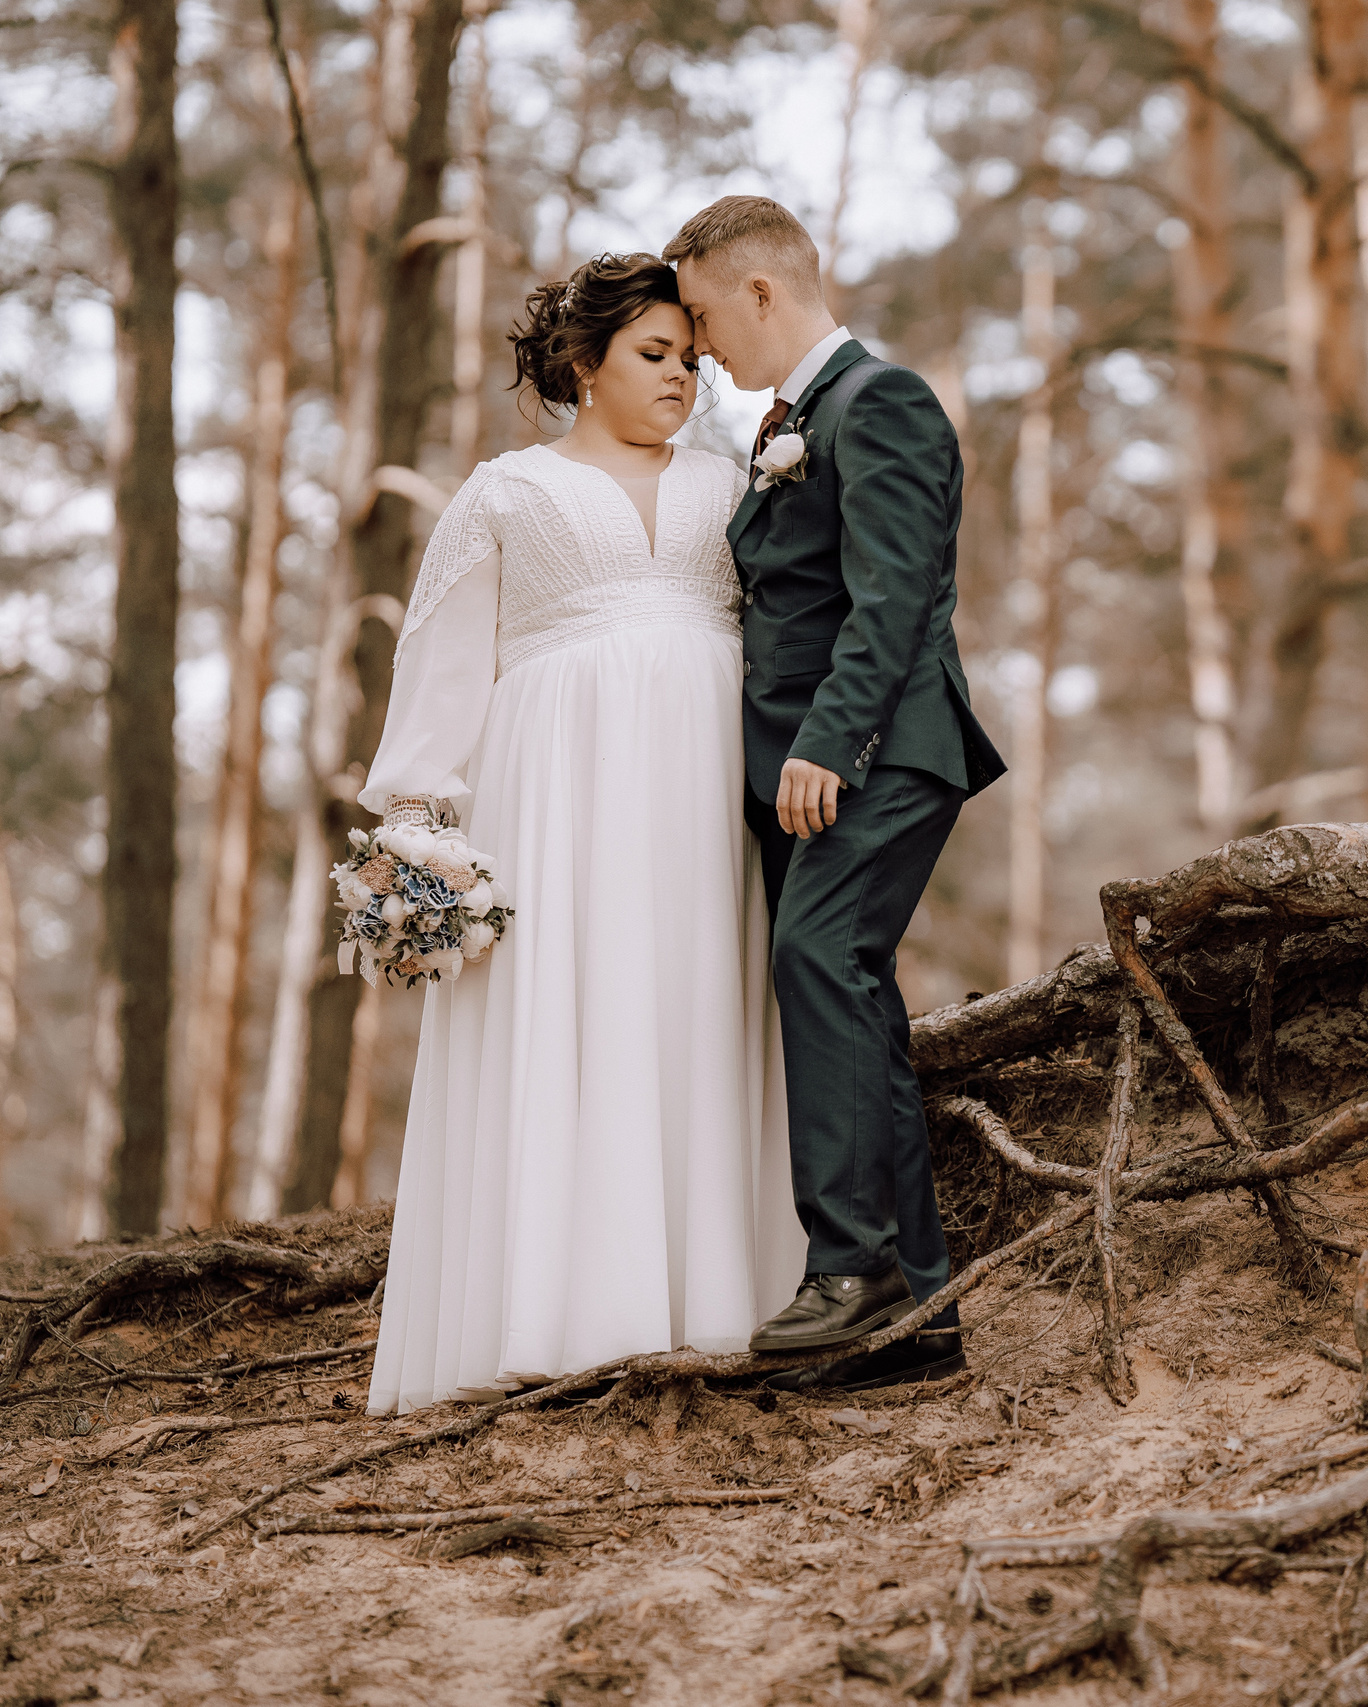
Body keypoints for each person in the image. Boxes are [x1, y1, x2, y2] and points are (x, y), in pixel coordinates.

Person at [361, 253, 805, 1416]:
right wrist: (420, 829)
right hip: (556, 786)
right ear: (580, 363)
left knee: (695, 1008)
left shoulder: (731, 482)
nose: (683, 378)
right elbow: (444, 664)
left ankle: (719, 1304)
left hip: (708, 792)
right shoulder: (506, 492)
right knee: (570, 1010)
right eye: (655, 356)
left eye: (691, 358)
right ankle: (553, 1313)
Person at [665, 196, 1004, 1394]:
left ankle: (848, 1268)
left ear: (761, 291)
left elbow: (897, 593)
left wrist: (829, 744)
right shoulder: (792, 423)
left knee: (816, 960)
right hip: (816, 763)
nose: (700, 346)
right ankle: (919, 1318)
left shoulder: (883, 402)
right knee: (850, 990)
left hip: (878, 751)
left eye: (702, 316)